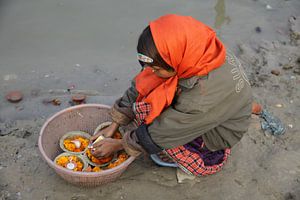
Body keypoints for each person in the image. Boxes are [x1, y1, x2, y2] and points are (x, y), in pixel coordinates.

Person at [90, 14, 252, 176]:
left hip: (215, 137)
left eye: (156, 68)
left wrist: (119, 144)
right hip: (209, 111)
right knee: (152, 86)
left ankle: (194, 157)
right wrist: (114, 125)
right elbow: (144, 80)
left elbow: (166, 131)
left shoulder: (200, 98)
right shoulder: (198, 48)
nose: (151, 71)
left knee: (148, 114)